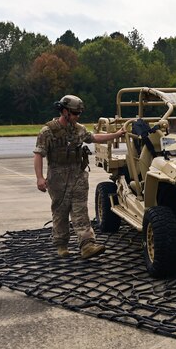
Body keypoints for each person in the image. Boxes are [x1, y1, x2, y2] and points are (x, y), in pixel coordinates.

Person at [33, 95, 125, 259]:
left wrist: (116, 134)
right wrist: (40, 178)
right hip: (57, 177)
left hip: (78, 175)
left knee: (80, 210)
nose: (77, 117)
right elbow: (38, 154)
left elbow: (94, 138)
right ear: (64, 111)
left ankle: (87, 245)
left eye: (79, 113)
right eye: (74, 113)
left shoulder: (79, 129)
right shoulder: (47, 131)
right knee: (60, 211)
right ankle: (61, 244)